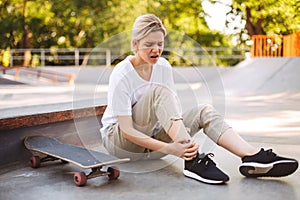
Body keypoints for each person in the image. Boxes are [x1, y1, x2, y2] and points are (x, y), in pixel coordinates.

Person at [100, 13, 298, 184]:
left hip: (149, 144)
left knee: (203, 111)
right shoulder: (122, 73)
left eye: (160, 44)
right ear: (135, 44)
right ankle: (192, 159)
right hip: (121, 145)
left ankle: (252, 157)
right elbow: (127, 131)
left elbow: (170, 111)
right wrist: (171, 147)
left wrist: (179, 133)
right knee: (157, 92)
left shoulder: (163, 66)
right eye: (149, 45)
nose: (156, 50)